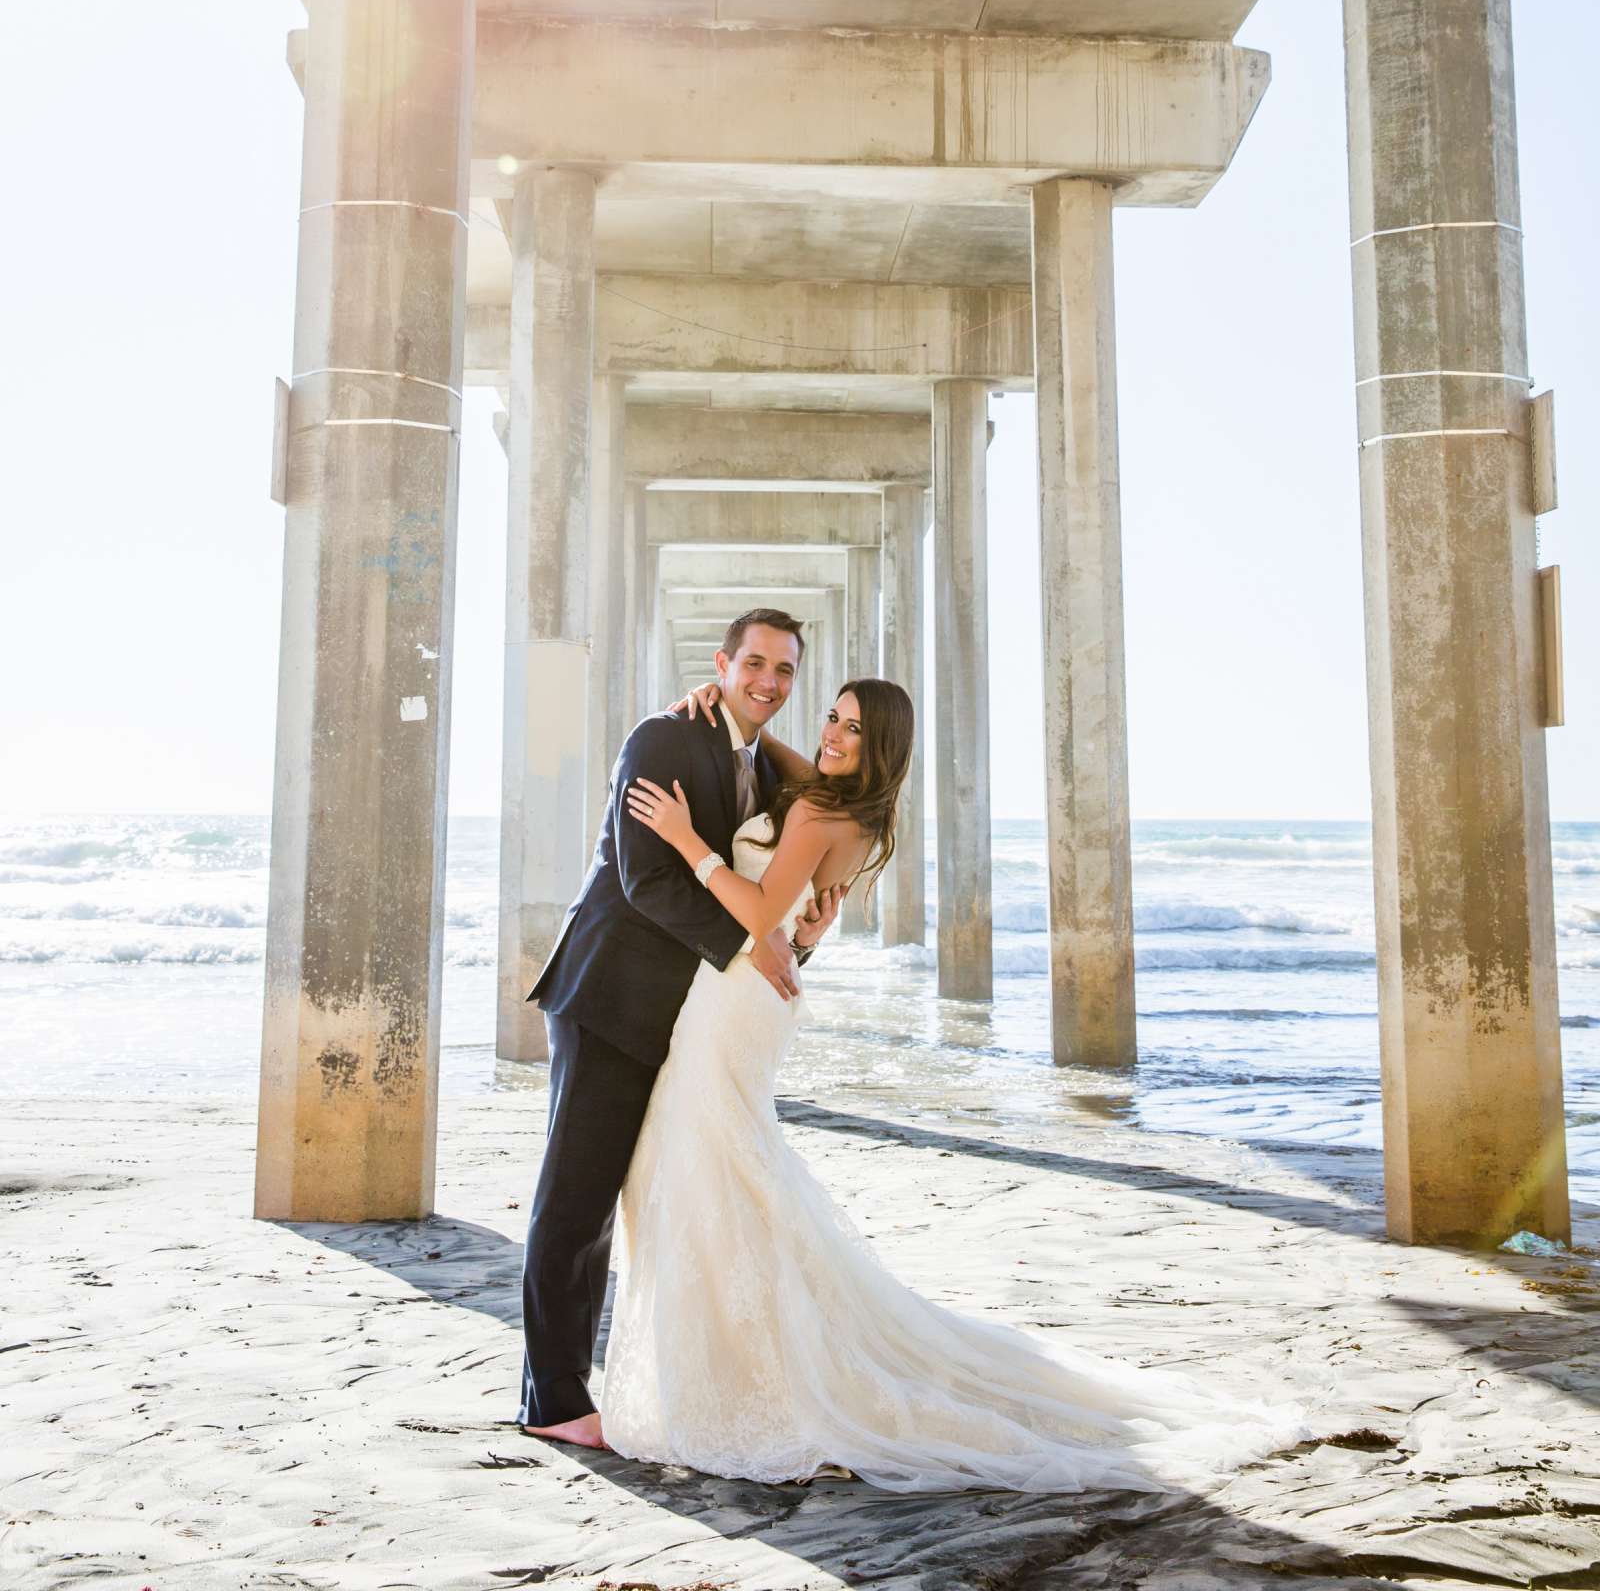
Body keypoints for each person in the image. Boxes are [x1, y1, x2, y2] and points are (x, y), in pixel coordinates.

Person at [601, 671, 1311, 1492]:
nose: (831, 733)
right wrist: (725, 702)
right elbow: (767, 751)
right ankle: (736, 1349)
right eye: (831, 716)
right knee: (715, 1160)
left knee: (712, 1158)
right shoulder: (849, 806)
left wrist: (688, 839)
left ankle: (755, 1367)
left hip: (738, 996)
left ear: (882, 747)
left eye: (853, 729)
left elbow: (759, 916)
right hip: (746, 995)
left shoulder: (819, 811)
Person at [516, 608, 844, 1447]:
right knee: (576, 1201)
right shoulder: (663, 740)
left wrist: (796, 929)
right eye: (755, 664)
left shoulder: (753, 762)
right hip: (608, 997)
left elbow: (787, 845)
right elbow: (642, 878)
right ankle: (553, 1402)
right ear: (722, 662)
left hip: (675, 1015)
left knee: (634, 1199)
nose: (769, 682)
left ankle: (604, 1387)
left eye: (785, 670)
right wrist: (750, 945)